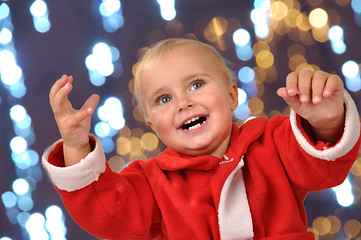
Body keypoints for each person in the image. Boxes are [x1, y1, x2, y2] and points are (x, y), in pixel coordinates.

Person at [42, 38, 361, 240]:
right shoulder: (151, 183)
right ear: (154, 126)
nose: (183, 102)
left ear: (232, 95)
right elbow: (105, 213)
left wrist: (325, 118)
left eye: (196, 84)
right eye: (164, 99)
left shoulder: (273, 142)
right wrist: (75, 146)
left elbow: (323, 166)